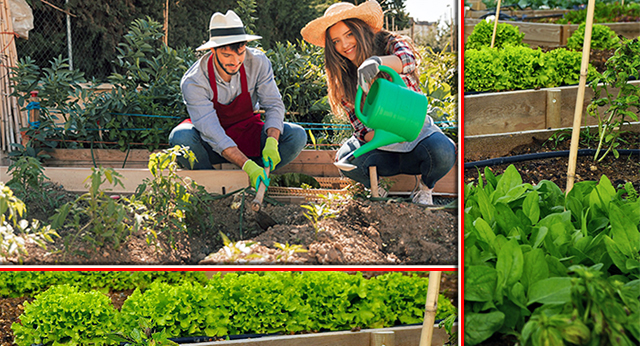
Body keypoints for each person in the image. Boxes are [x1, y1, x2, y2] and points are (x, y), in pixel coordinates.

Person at [300, 0, 456, 205]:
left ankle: (425, 189)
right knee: (346, 159)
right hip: (383, 150)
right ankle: (377, 188)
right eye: (336, 41)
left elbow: (407, 61)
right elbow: (360, 127)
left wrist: (378, 62)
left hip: (417, 139)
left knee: (444, 151)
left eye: (348, 34)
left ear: (360, 29)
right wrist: (384, 134)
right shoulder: (343, 77)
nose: (344, 45)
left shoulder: (388, 43)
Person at [169, 10, 307, 190]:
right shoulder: (194, 81)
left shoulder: (257, 62)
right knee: (181, 137)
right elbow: (211, 131)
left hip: (246, 132)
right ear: (213, 50)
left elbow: (273, 104)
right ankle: (212, 187)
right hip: (210, 143)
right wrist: (246, 164)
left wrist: (272, 141)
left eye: (240, 53)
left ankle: (256, 176)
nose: (235, 61)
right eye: (227, 55)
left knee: (296, 136)